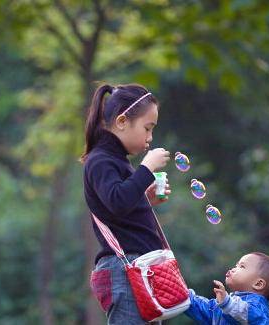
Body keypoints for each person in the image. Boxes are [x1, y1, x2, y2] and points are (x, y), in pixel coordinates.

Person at [82, 83, 171, 324]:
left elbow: (120, 205)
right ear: (122, 122)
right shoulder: (101, 160)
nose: (150, 138)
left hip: (139, 269)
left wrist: (144, 198)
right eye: (147, 128)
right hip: (125, 271)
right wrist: (146, 168)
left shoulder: (116, 160)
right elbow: (117, 202)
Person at [185, 252, 269, 324]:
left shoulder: (258, 308)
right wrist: (185, 296)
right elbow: (207, 310)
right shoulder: (228, 304)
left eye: (242, 266)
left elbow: (249, 315)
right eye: (236, 265)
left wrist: (227, 303)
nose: (234, 269)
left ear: (258, 284)